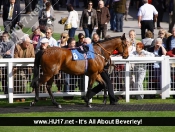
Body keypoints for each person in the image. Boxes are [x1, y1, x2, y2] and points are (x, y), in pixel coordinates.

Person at [13, 36, 35, 102]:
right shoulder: (18, 46)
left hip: (27, 67)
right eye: (26, 43)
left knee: (23, 82)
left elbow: (33, 56)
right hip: (17, 67)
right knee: (16, 81)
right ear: (23, 42)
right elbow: (15, 57)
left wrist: (25, 61)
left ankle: (22, 96)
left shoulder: (31, 46)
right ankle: (16, 96)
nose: (28, 44)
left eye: (29, 43)